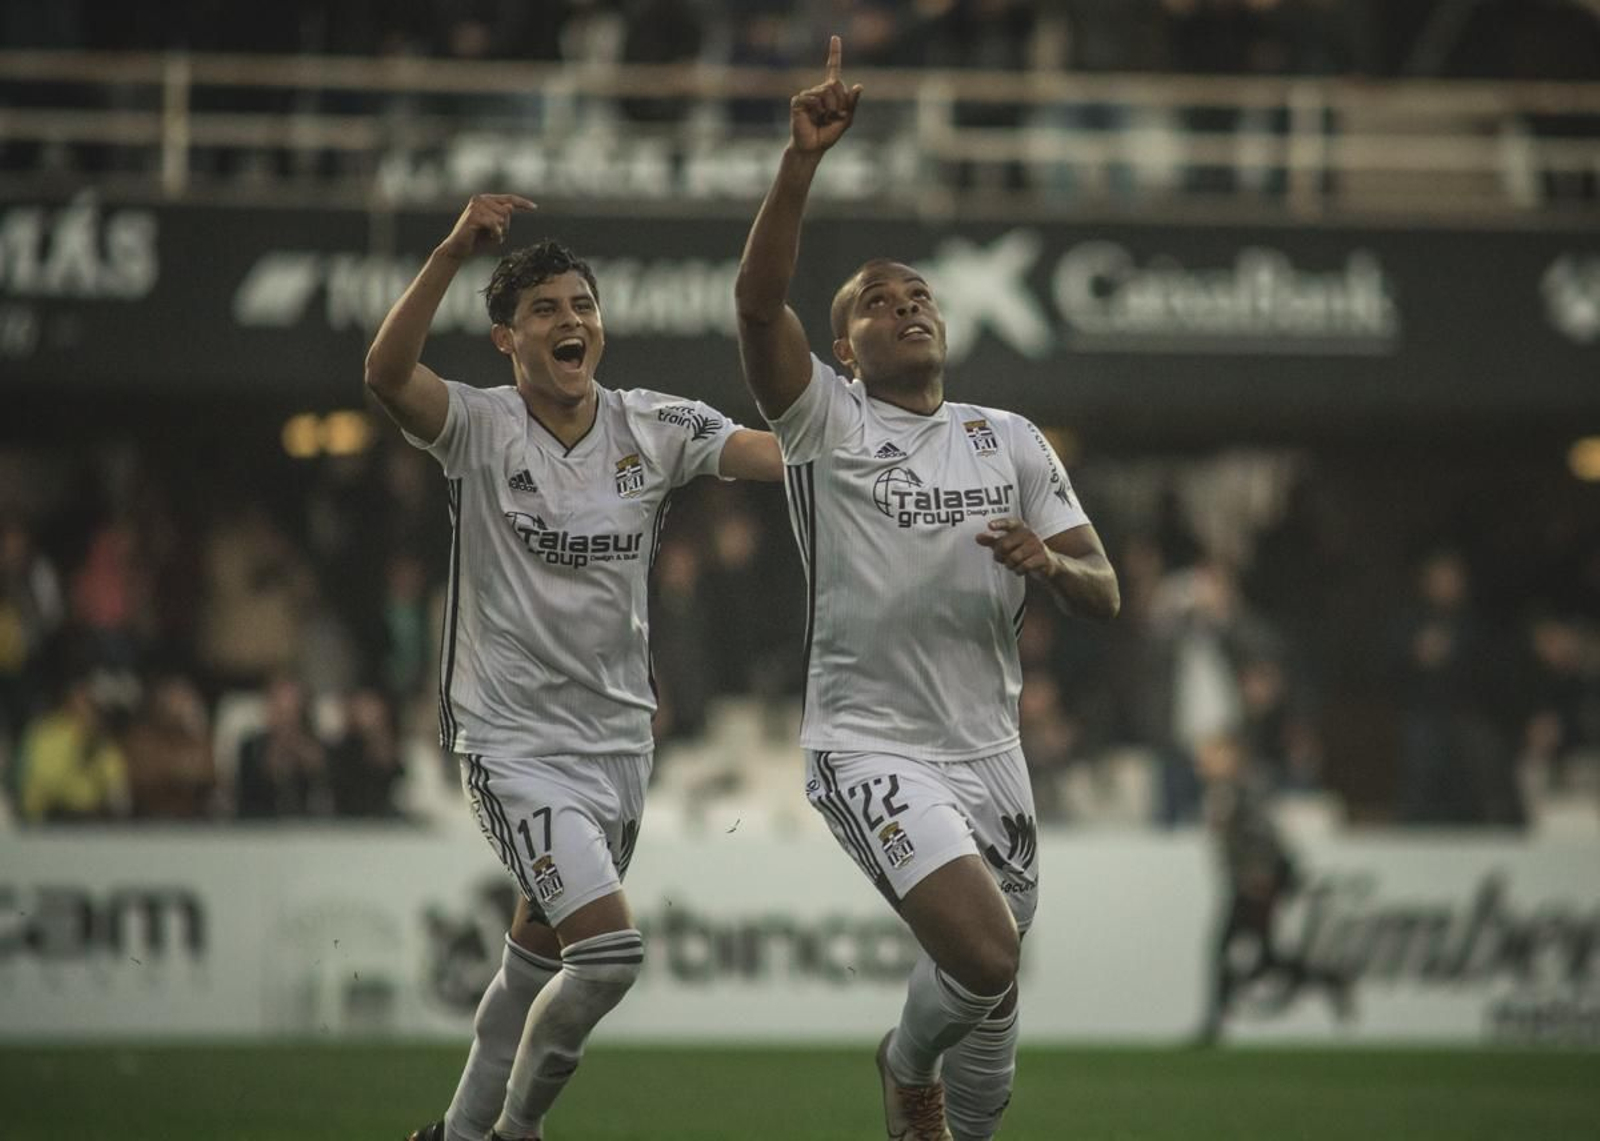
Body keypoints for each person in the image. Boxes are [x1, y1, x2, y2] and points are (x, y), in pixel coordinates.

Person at [733, 38, 1119, 1141]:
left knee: (994, 1012)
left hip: (987, 747)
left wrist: (1053, 564)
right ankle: (903, 1067)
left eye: (921, 295)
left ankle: (945, 1110)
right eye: (879, 301)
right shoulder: (825, 420)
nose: (909, 306)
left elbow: (1106, 589)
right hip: (869, 740)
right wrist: (799, 164)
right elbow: (759, 312)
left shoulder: (1008, 439)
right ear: (845, 349)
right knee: (986, 954)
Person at [363, 193, 782, 1141]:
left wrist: (848, 436)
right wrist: (447, 251)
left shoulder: (652, 426)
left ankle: (457, 1135)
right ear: (506, 337)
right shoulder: (477, 428)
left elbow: (771, 453)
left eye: (583, 305)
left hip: (619, 746)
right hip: (510, 743)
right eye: (547, 308)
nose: (572, 321)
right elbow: (386, 372)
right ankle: (514, 1134)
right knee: (607, 957)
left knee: (532, 967)